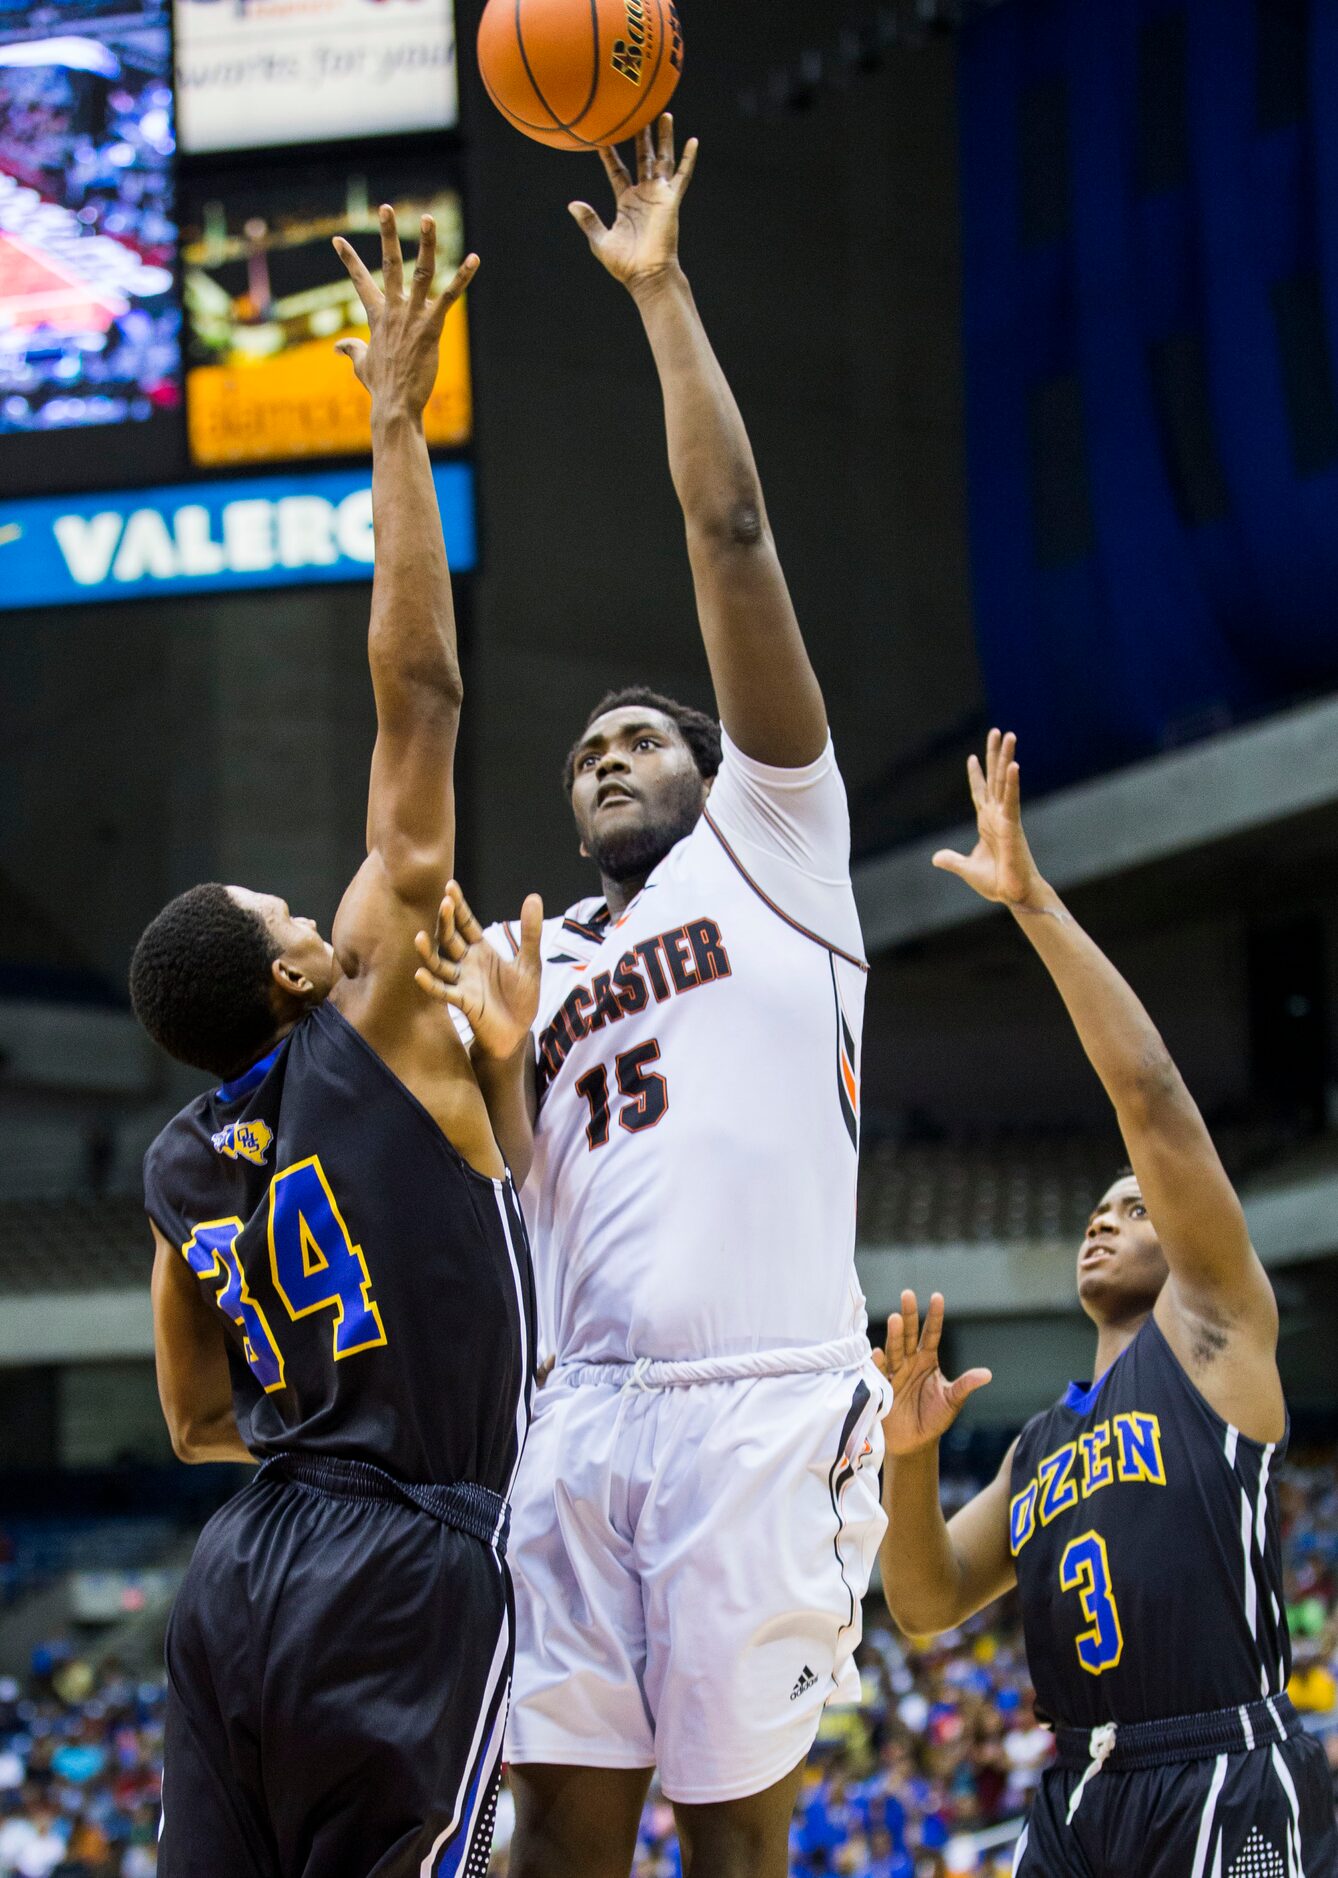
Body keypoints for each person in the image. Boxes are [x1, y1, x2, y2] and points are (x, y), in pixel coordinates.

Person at [415, 116, 890, 1878]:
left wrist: (660, 290)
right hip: (581, 1404)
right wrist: (488, 1059)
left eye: (637, 735)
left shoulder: (775, 840)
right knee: (558, 1831)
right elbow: (524, 1195)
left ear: (711, 766)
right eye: (582, 750)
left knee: (740, 1843)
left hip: (757, 1397)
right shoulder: (550, 962)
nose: (603, 753)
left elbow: (732, 525)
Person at [128, 210, 538, 1878]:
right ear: (297, 972)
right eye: (288, 902)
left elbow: (191, 1423)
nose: (320, 897)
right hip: (402, 1558)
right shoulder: (367, 1022)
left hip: (234, 1571)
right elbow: (419, 702)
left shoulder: (174, 1164)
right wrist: (391, 417)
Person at [875, 730, 1338, 1875]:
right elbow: (925, 1601)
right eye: (1096, 1208)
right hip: (1079, 1788)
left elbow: (1152, 1094)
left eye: (1132, 1209)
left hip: (1221, 1767)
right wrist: (912, 1456)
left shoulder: (1215, 1336)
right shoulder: (1040, 1445)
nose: (1104, 1218)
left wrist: (1032, 904)